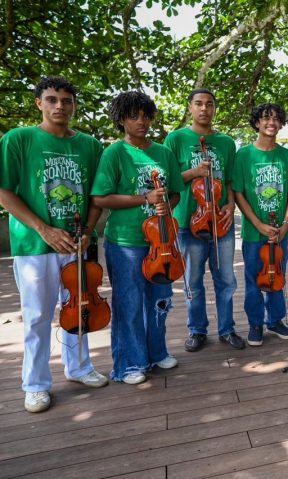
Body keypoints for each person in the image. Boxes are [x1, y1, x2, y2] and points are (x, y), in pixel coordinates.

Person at [0, 77, 108, 412]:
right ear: (39, 104)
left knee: (81, 305)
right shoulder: (19, 139)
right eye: (51, 100)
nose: (59, 106)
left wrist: (89, 230)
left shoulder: (90, 145)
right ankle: (35, 384)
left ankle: (79, 368)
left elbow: (95, 196)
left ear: (74, 105)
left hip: (77, 241)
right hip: (36, 245)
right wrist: (43, 229)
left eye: (66, 100)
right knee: (36, 316)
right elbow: (5, 192)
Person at [91, 91, 184, 384]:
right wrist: (143, 197)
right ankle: (129, 364)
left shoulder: (163, 153)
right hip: (126, 243)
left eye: (146, 115)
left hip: (162, 242)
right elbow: (101, 198)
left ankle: (156, 352)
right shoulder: (115, 153)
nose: (141, 121)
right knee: (129, 305)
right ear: (121, 120)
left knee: (160, 300)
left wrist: (165, 204)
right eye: (134, 116)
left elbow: (176, 193)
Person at [164, 88, 243, 353]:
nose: (204, 109)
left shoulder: (226, 142)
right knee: (193, 280)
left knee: (226, 280)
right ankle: (196, 329)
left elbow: (230, 180)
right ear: (190, 108)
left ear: (214, 109)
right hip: (189, 221)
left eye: (209, 104)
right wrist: (194, 172)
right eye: (198, 104)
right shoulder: (176, 139)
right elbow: (168, 178)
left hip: (220, 221)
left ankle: (227, 329)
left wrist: (231, 205)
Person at [232, 103, 288, 346]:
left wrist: (286, 223)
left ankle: (276, 321)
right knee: (253, 279)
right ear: (257, 123)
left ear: (281, 124)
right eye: (265, 118)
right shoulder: (244, 155)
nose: (271, 122)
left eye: (276, 119)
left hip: (280, 231)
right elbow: (238, 193)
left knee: (277, 275)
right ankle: (255, 324)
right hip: (253, 231)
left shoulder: (287, 156)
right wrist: (258, 224)